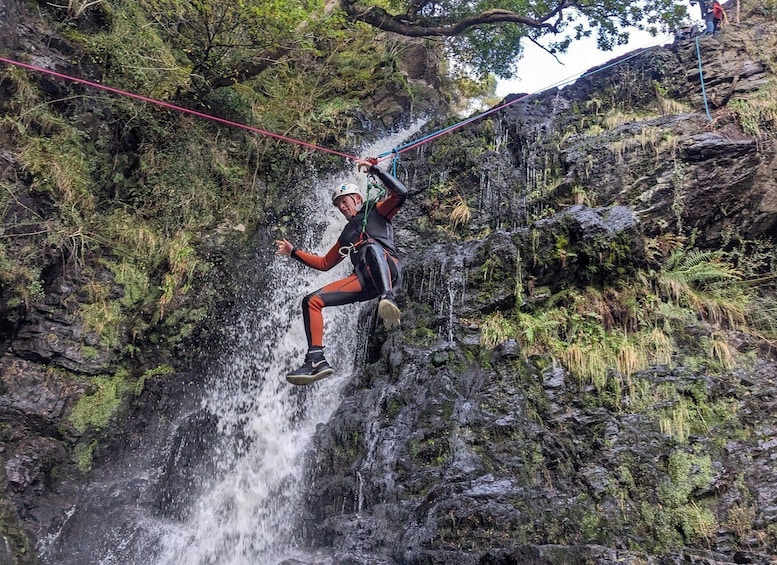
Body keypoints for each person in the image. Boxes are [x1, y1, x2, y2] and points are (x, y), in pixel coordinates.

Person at [275, 158, 406, 385]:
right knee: (311, 301)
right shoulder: (346, 234)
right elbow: (325, 263)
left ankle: (388, 298)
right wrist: (293, 251)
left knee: (370, 246)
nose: (342, 207)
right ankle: (315, 359)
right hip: (364, 280)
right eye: (338, 205)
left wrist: (374, 169)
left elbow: (400, 194)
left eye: (344, 201)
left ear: (357, 198)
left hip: (387, 267)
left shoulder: (375, 211)